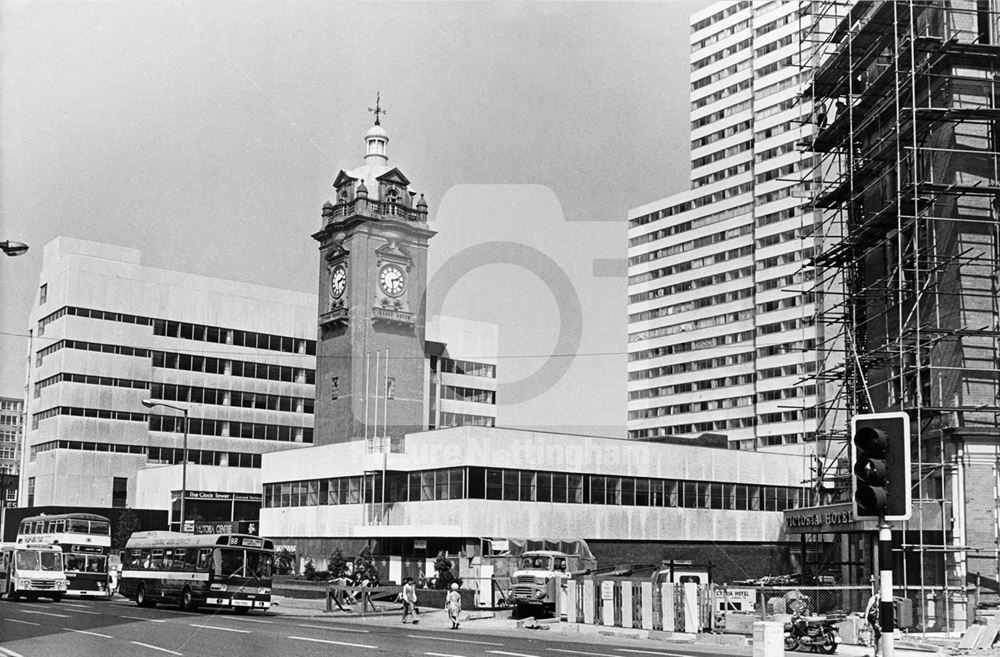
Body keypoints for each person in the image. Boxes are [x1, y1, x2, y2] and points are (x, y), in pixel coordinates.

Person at [864, 589, 882, 657]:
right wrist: (865, 619)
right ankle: (879, 653)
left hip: (880, 620)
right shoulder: (874, 598)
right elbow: (868, 608)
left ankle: (877, 653)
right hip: (875, 619)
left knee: (877, 636)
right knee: (880, 634)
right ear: (879, 591)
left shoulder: (884, 598)